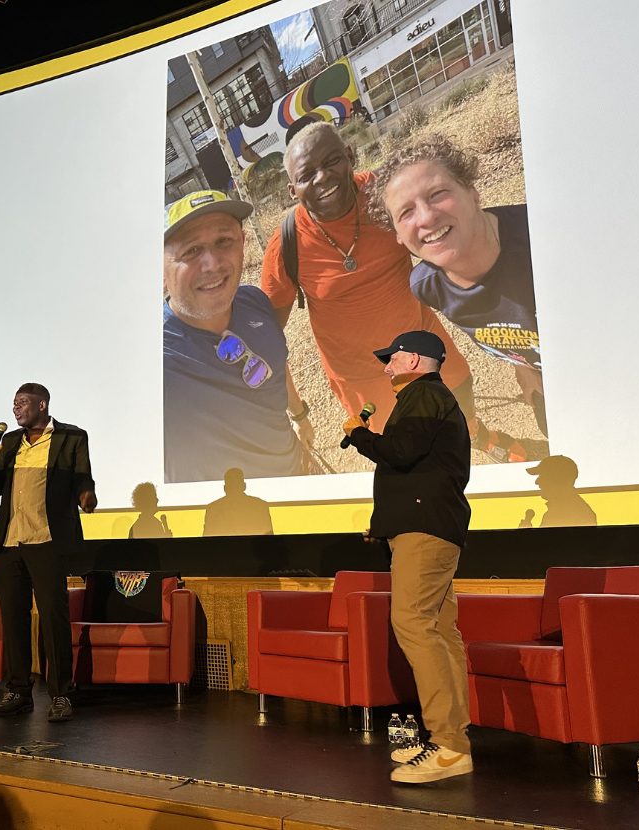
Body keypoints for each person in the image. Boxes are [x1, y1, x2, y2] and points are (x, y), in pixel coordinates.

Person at [260, 121, 475, 436]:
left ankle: (477, 439)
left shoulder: (387, 196)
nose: (323, 177)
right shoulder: (286, 244)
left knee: (460, 409)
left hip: (424, 347)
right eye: (306, 175)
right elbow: (268, 339)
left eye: (332, 160)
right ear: (293, 190)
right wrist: (297, 413)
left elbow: (449, 240)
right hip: (362, 380)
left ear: (350, 155)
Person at [342, 331, 473, 783]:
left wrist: (359, 434)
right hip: (430, 526)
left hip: (426, 529)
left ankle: (449, 746)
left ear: (415, 359)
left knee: (414, 623)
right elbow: (419, 466)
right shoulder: (432, 397)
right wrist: (384, 524)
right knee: (440, 629)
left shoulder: (424, 395)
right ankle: (452, 738)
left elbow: (399, 452)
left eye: (392, 358)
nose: (387, 367)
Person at [368, 134, 547, 441]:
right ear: (397, 234)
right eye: (406, 212)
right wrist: (527, 366)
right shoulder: (429, 287)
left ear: (472, 191)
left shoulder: (542, 238)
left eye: (437, 194)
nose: (426, 216)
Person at [163, 190, 315, 483]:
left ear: (243, 243)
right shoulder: (156, 360)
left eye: (224, 241)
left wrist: (299, 416)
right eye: (191, 250)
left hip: (297, 469)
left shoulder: (254, 301)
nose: (212, 263)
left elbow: (275, 362)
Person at [0, 383, 96, 722]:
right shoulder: (9, 441)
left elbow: (82, 477)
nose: (16, 408)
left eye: (23, 402)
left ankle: (60, 694)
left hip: (46, 540)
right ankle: (18, 691)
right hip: (9, 542)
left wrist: (86, 495)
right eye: (14, 403)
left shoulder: (71, 437)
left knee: (53, 618)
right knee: (13, 619)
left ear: (42, 404)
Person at [526, 455, 597, 527]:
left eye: (542, 476)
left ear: (556, 480)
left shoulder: (566, 513)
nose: (537, 482)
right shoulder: (563, 509)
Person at [202, 468, 274, 536]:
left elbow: (207, 540)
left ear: (225, 488)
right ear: (244, 486)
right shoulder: (260, 505)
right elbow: (269, 539)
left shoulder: (213, 509)